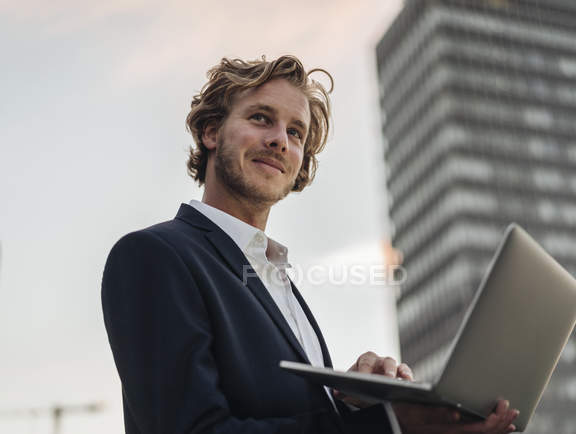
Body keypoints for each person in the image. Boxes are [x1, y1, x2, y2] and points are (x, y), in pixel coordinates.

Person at [101, 55, 518, 434]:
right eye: (262, 118)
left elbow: (292, 416)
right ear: (211, 132)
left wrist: (356, 402)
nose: (281, 139)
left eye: (295, 132)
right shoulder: (155, 256)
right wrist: (390, 426)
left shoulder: (277, 281)